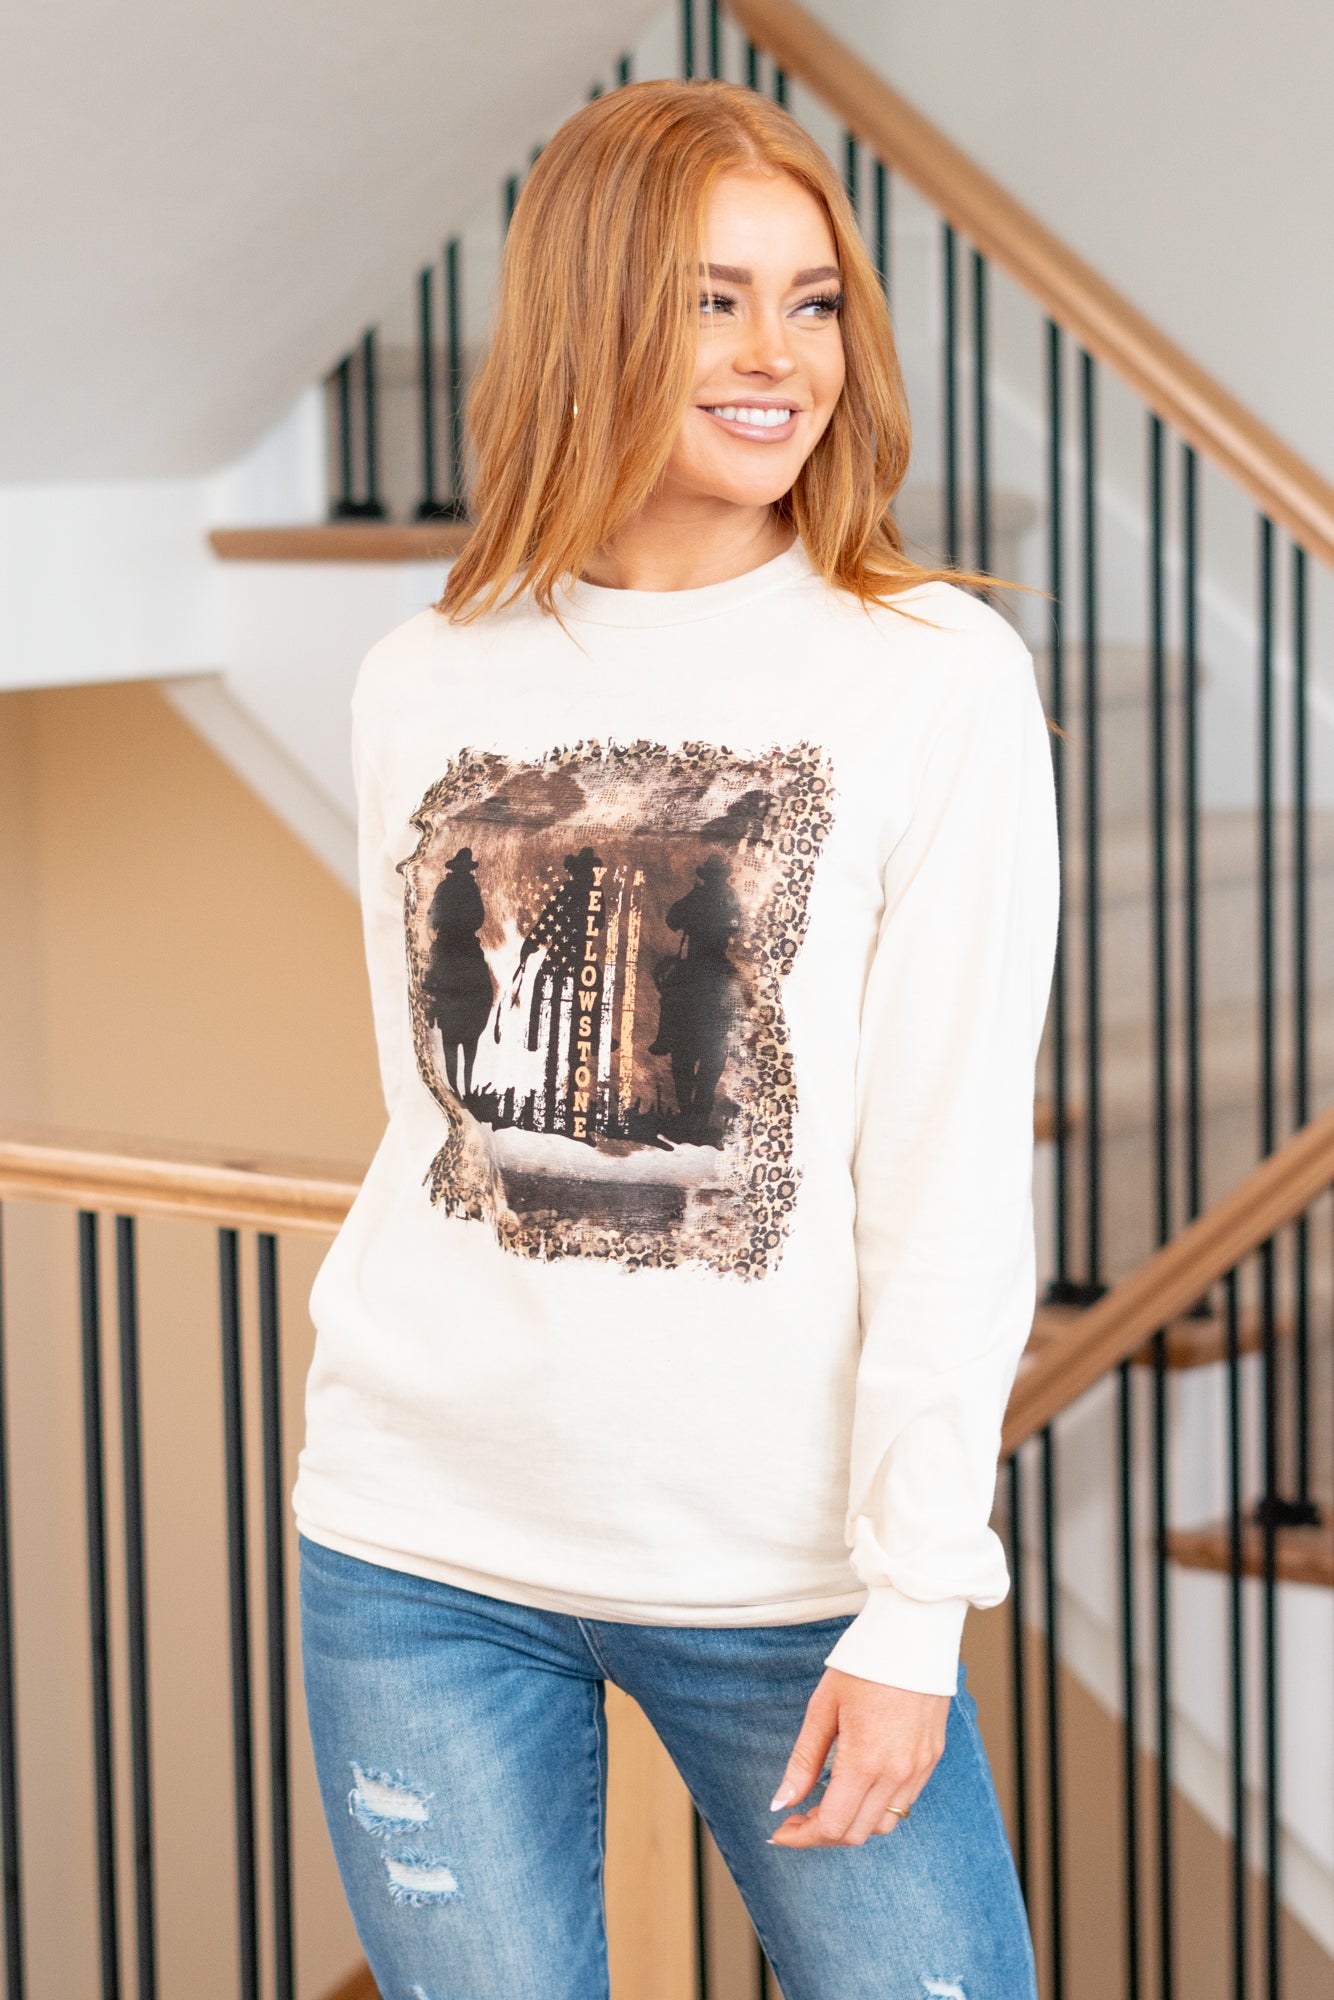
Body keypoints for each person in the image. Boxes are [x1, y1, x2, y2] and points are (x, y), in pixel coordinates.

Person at [294, 76, 1058, 2000]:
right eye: (713, 300)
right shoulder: (421, 675)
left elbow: (950, 1176)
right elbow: (436, 1119)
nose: (775, 356)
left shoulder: (930, 675)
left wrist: (913, 1600)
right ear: (593, 317)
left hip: (784, 1582)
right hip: (415, 1548)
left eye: (812, 302)